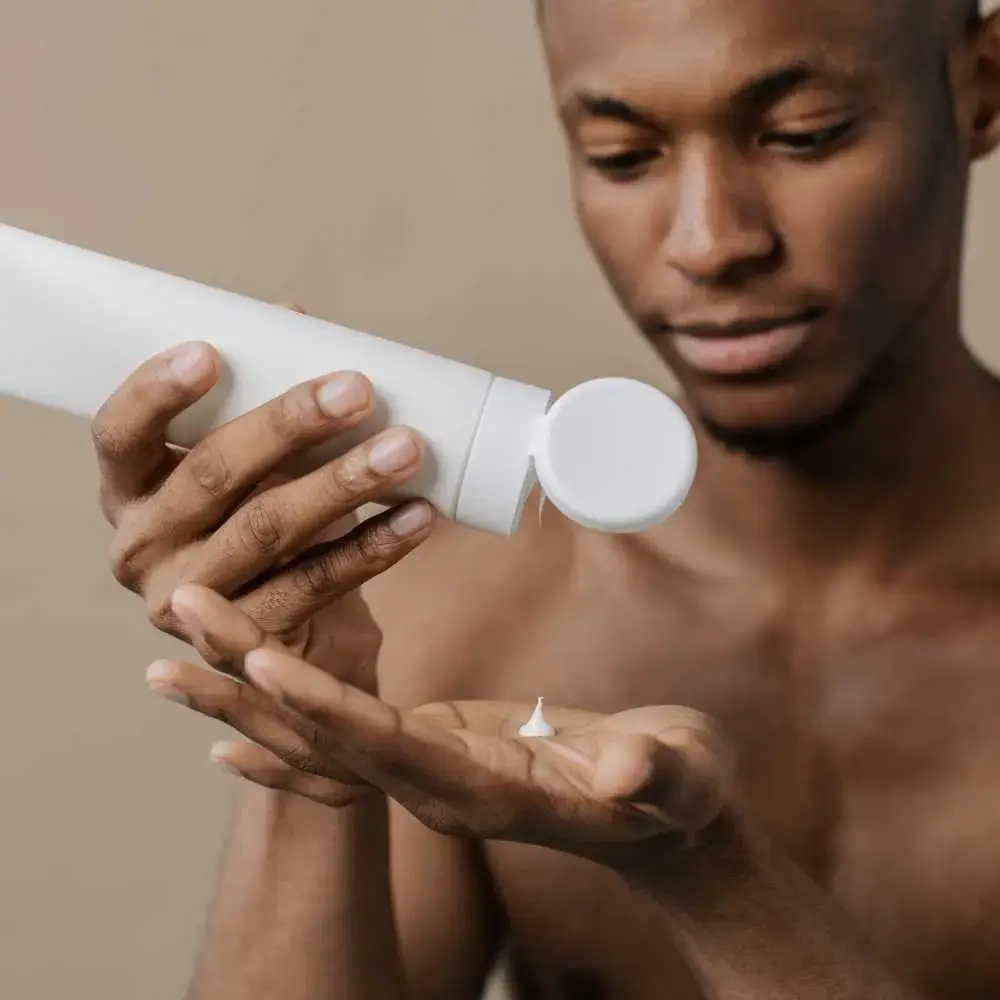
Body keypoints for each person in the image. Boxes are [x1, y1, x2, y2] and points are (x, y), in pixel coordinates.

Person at [90, 0, 1000, 997]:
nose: (707, 241)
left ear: (980, 84)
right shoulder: (457, 599)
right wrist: (308, 727)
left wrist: (708, 876)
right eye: (621, 155)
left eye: (802, 136)